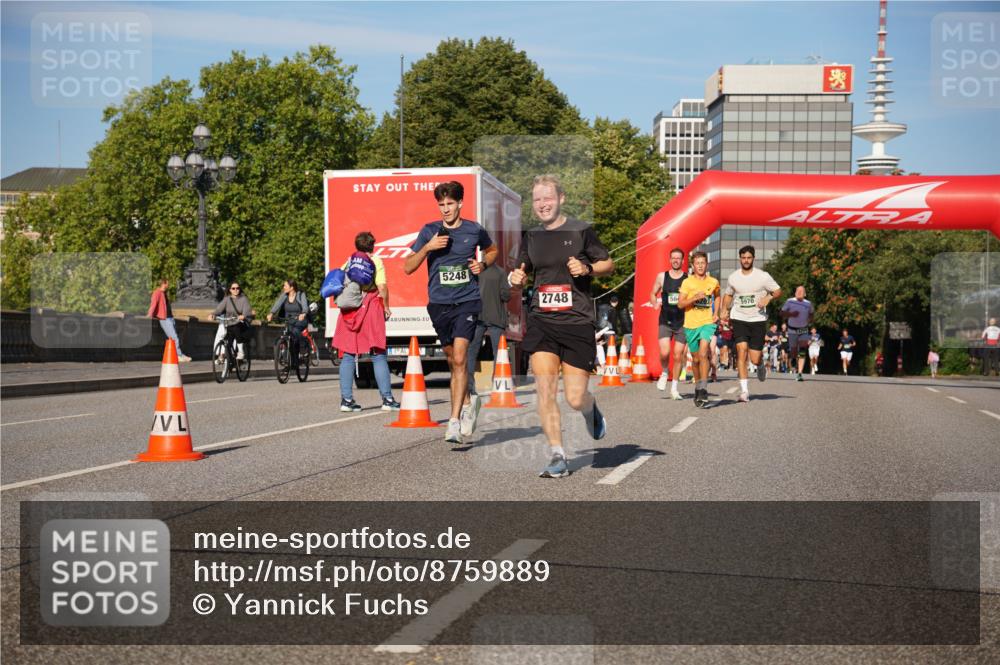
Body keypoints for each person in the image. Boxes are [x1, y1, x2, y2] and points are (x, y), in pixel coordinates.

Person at [508, 174, 614, 478]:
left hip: (578, 321)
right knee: (545, 388)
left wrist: (588, 268)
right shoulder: (530, 236)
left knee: (575, 397)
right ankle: (557, 455)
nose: (542, 204)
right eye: (538, 199)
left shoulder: (581, 231)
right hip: (542, 320)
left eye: (548, 198)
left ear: (561, 199)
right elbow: (521, 269)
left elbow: (609, 264)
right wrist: (517, 277)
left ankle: (589, 410)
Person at [404, 181, 497, 444]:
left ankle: (454, 422)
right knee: (450, 358)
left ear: (460, 204)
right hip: (439, 304)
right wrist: (427, 248)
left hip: (467, 301)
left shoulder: (473, 230)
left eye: (450, 204)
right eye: (441, 204)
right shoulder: (429, 231)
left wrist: (482, 264)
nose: (445, 209)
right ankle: (469, 401)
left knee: (459, 359)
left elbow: (492, 250)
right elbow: (407, 268)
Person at [334, 231, 401, 412]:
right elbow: (382, 287)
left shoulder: (349, 261)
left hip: (349, 311)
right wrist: (386, 306)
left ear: (357, 246)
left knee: (348, 355)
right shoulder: (376, 261)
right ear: (373, 245)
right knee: (377, 354)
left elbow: (339, 281)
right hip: (370, 308)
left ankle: (346, 401)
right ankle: (387, 400)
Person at [719, 245, 781, 403]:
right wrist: (724, 309)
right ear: (739, 258)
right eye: (743, 257)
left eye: (749, 257)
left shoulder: (763, 276)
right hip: (739, 318)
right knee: (741, 350)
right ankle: (744, 391)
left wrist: (768, 298)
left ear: (753, 258)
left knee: (754, 358)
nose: (746, 260)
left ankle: (760, 365)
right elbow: (728, 295)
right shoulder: (733, 277)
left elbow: (778, 290)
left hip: (757, 320)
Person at [678, 251, 720, 408]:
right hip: (690, 324)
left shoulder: (713, 281)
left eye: (703, 263)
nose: (701, 266)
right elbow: (680, 304)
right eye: (697, 263)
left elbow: (717, 295)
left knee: (704, 353)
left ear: (706, 265)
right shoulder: (687, 283)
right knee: (695, 359)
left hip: (707, 323)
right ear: (693, 266)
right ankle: (697, 386)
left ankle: (703, 389)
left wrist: (716, 312)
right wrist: (694, 298)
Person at [649, 247, 688, 399]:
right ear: (670, 259)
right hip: (665, 319)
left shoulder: (687, 279)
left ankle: (674, 388)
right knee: (665, 352)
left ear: (683, 261)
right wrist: (654, 303)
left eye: (678, 258)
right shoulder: (662, 277)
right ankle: (665, 371)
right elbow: (653, 293)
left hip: (682, 321)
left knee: (678, 356)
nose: (676, 260)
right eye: (673, 258)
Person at [466, 262, 511, 398]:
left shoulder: (475, 270)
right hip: (496, 317)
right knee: (499, 353)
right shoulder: (500, 272)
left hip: (477, 315)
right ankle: (498, 386)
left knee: (472, 352)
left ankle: (469, 387)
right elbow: (505, 296)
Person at [267, 279, 310, 368]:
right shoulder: (284, 295)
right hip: (289, 320)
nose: (283, 287)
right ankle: (291, 361)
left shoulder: (300, 294)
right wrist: (271, 313)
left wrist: (303, 313)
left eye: (285, 286)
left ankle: (304, 346)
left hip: (300, 320)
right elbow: (277, 303)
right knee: (289, 338)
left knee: (295, 331)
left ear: (292, 287)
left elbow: (305, 306)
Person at [147, 278, 191, 362]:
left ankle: (175, 355)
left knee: (171, 338)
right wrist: (149, 315)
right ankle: (179, 355)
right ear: (164, 284)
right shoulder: (157, 293)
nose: (169, 285)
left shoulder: (164, 293)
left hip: (170, 318)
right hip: (165, 318)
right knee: (174, 337)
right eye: (167, 283)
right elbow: (153, 305)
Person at [780, 285, 815, 382]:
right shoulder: (790, 301)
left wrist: (810, 320)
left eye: (801, 291)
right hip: (792, 329)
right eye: (797, 291)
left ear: (805, 294)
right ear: (795, 293)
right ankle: (794, 358)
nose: (799, 292)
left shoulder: (808, 303)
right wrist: (791, 314)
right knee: (794, 350)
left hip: (803, 329)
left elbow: (812, 313)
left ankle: (799, 373)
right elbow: (781, 313)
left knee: (803, 349)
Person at [211, 281, 252, 361]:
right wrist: (213, 314)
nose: (235, 290)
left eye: (237, 288)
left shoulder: (244, 299)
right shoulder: (227, 299)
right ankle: (228, 360)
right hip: (230, 323)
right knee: (228, 342)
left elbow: (247, 311)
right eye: (233, 288)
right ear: (230, 290)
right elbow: (219, 309)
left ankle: (241, 352)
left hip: (241, 323)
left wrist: (243, 316)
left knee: (236, 328)